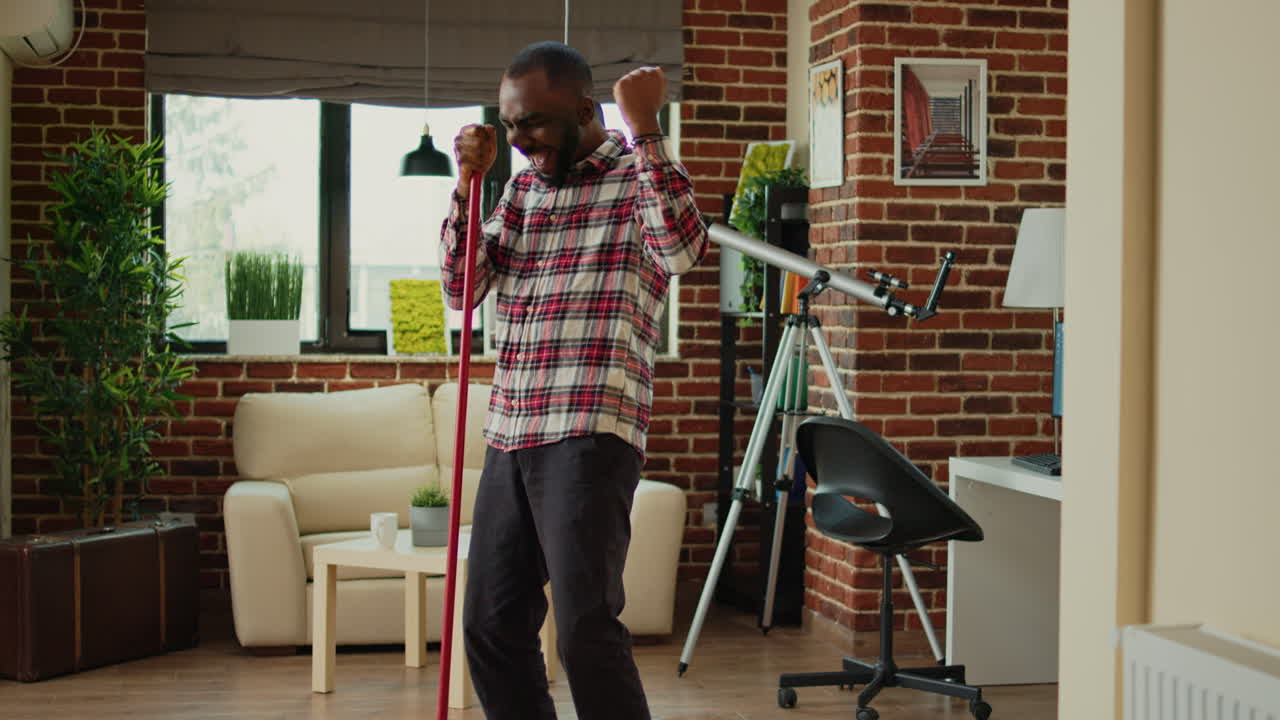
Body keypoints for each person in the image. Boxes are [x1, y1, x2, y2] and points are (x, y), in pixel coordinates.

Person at [439, 42, 707, 720]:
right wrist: (467, 188)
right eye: (507, 125)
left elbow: (680, 247)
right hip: (512, 432)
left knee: (586, 628)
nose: (517, 139)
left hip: (590, 432)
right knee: (490, 626)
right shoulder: (524, 188)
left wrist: (645, 126)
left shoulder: (635, 175)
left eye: (530, 123)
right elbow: (461, 287)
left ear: (585, 110)